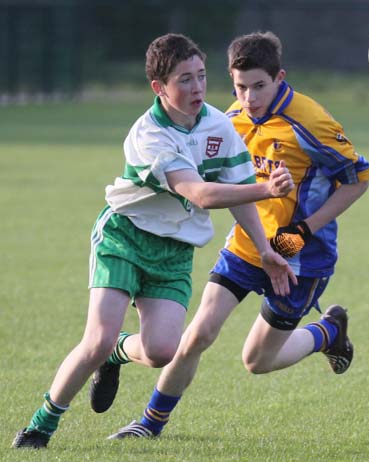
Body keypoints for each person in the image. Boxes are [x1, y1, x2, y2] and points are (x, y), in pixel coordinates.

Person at [12, 33, 296, 450]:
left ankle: (116, 355)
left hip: (175, 251)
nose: (197, 87)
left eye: (201, 76)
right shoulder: (150, 134)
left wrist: (266, 249)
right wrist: (266, 189)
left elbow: (237, 194)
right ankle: (41, 425)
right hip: (125, 237)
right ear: (158, 88)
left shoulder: (219, 125)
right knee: (97, 338)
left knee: (163, 350)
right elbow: (200, 193)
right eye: (184, 79)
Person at [92, 31, 369, 440]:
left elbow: (359, 180)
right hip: (249, 243)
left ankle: (328, 333)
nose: (249, 98)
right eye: (240, 87)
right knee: (199, 332)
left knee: (256, 360)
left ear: (280, 77)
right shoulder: (229, 120)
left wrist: (300, 232)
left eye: (259, 86)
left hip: (300, 252)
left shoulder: (311, 122)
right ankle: (150, 425)